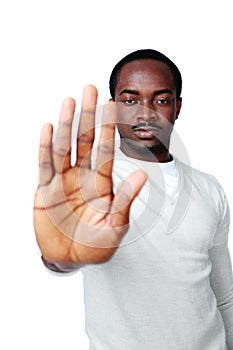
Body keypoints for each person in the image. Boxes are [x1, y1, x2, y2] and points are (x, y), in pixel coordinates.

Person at [33, 49, 233, 350]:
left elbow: (224, 295)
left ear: (177, 107)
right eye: (130, 100)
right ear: (113, 108)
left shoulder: (210, 188)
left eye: (162, 100)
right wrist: (61, 258)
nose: (146, 112)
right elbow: (63, 258)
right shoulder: (91, 183)